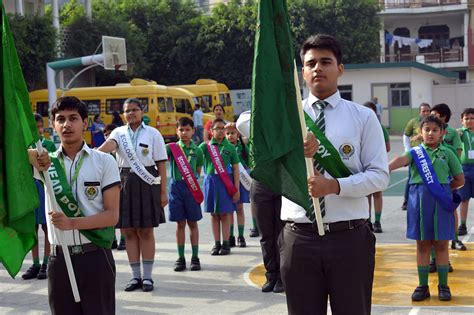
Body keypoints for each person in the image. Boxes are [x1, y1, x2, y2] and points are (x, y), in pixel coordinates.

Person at [281, 34, 389, 314]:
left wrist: (334, 186)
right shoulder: (287, 118)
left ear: (340, 68)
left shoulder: (363, 117)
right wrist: (293, 142)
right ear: (302, 71)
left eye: (326, 61)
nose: (318, 68)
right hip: (299, 238)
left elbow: (379, 176)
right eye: (311, 63)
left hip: (349, 239)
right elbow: (247, 123)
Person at [28, 96, 120, 314]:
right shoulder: (45, 163)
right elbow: (13, 156)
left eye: (73, 118)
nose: (66, 124)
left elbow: (112, 216)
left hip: (96, 257)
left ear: (85, 123)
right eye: (60, 119)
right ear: (53, 125)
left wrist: (72, 222)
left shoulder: (104, 161)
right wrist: (31, 155)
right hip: (59, 261)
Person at [236, 111, 318, 294]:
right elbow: (241, 122)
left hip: (283, 180)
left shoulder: (287, 123)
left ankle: (283, 275)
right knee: (266, 234)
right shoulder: (253, 123)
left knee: (282, 232)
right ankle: (271, 274)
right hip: (262, 182)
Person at [389, 115, 464, 302]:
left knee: (441, 244)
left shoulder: (448, 153)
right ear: (420, 133)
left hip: (441, 204)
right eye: (427, 130)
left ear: (442, 134)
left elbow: (460, 179)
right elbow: (399, 161)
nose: (430, 133)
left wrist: (443, 190)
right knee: (422, 244)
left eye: (435, 130)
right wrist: (383, 168)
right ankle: (422, 286)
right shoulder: (415, 153)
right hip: (419, 204)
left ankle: (443, 285)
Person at [99, 98, 168, 292]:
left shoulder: (153, 133)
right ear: (123, 114)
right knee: (128, 231)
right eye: (127, 111)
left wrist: (163, 191)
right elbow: (108, 147)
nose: (131, 113)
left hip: (148, 182)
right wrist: (92, 153)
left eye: (134, 110)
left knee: (146, 230)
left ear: (142, 111)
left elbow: (161, 163)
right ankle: (135, 276)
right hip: (124, 183)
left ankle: (148, 277)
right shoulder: (118, 133)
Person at [166, 117, 204, 272]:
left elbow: (199, 170)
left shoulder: (198, 150)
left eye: (187, 129)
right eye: (181, 130)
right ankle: (180, 257)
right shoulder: (172, 148)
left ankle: (195, 257)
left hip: (191, 188)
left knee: (193, 223)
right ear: (177, 131)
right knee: (180, 223)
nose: (184, 133)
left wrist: (191, 182)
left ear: (193, 131)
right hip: (176, 188)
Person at [21, 114, 56, 281]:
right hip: (28, 190)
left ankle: (46, 262)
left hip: (44, 189)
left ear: (43, 127)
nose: (36, 130)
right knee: (32, 228)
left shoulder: (48, 144)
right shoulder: (23, 146)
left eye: (39, 126)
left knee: (47, 227)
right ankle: (35, 263)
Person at [199, 118, 240, 255]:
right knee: (214, 214)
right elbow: (194, 158)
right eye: (217, 128)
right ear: (211, 131)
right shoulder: (205, 147)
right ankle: (216, 243)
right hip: (211, 182)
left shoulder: (230, 147)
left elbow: (235, 169)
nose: (221, 131)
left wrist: (237, 189)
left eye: (223, 128)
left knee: (225, 213)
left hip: (226, 183)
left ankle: (226, 243)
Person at [430, 103, 466, 252]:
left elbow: (457, 151)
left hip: (447, 178)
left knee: (451, 210)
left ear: (444, 117)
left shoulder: (452, 133)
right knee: (430, 216)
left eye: (435, 115)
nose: (432, 118)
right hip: (430, 180)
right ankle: (433, 256)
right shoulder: (427, 132)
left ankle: (455, 239)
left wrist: (446, 166)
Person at [364, 102, 391, 233]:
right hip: (364, 165)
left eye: (372, 111)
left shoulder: (380, 127)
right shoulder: (360, 126)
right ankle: (367, 220)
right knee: (366, 194)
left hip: (377, 163)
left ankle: (377, 221)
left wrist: (375, 149)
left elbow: (388, 147)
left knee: (377, 193)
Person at [402, 103, 431, 210]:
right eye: (424, 111)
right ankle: (406, 201)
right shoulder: (413, 122)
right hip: (416, 154)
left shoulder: (432, 122)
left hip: (428, 153)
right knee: (411, 177)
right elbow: (406, 135)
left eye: (428, 110)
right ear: (420, 112)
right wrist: (407, 150)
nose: (426, 113)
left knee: (428, 177)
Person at [225, 122, 249, 248]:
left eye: (232, 133)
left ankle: (241, 235)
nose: (230, 136)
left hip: (241, 179)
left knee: (239, 208)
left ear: (238, 134)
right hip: (228, 181)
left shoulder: (243, 146)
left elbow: (249, 161)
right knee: (229, 210)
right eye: (227, 133)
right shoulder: (224, 148)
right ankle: (230, 236)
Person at [103, 124, 127, 251]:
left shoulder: (122, 152)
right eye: (106, 135)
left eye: (110, 135)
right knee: (108, 213)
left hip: (121, 186)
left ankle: (123, 239)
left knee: (121, 214)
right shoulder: (101, 153)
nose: (108, 137)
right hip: (107, 188)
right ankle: (112, 239)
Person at [457, 108, 474, 237]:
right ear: (462, 121)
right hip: (464, 168)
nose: (469, 121)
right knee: (464, 198)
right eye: (466, 118)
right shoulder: (460, 134)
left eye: (472, 118)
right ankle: (462, 224)